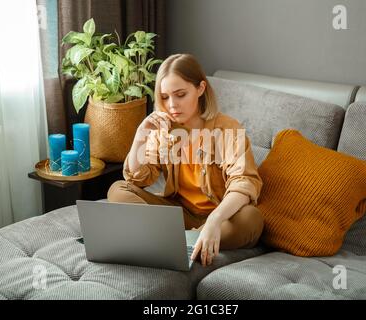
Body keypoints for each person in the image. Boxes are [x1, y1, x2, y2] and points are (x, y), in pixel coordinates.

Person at [107, 53, 264, 267]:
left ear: (200, 89)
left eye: (180, 94)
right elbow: (138, 178)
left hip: (223, 217)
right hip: (180, 215)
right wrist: (141, 134)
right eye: (165, 97)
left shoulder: (227, 128)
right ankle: (183, 240)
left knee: (251, 219)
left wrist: (214, 222)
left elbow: (244, 182)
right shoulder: (164, 129)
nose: (172, 105)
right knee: (118, 190)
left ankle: (175, 240)